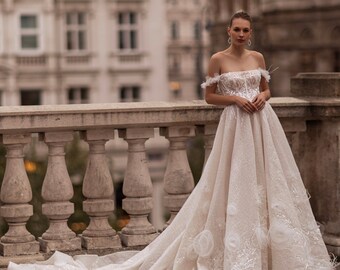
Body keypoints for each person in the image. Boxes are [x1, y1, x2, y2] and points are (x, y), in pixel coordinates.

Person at [9, 10, 334, 270]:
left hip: (261, 123)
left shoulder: (258, 57)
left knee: (266, 181)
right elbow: (209, 97)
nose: (241, 34)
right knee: (232, 181)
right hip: (236, 123)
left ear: (251, 33)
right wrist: (236, 100)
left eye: (245, 30)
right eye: (236, 29)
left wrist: (262, 97)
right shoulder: (218, 59)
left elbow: (266, 88)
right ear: (228, 32)